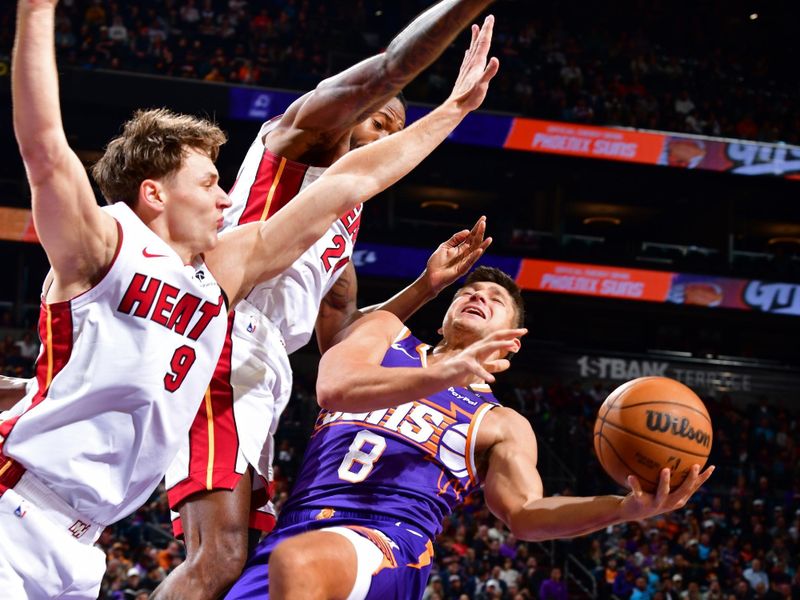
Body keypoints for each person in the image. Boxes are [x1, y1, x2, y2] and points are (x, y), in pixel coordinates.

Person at [0, 1, 498, 597]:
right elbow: (46, 151)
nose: (223, 196)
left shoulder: (240, 264)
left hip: (86, 540)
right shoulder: (115, 246)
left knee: (235, 560)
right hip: (28, 500)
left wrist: (453, 117)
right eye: (210, 182)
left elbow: (352, 219)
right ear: (156, 193)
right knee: (220, 554)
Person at [159, 2, 499, 597]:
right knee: (217, 558)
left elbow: (341, 340)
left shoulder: (345, 224)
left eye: (395, 129)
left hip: (262, 375)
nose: (386, 134)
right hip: (220, 337)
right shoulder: (303, 139)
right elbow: (389, 68)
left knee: (231, 568)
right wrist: (454, 82)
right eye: (379, 121)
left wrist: (428, 286)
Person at [226, 266, 715, 599]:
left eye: (496, 300)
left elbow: (525, 515)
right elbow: (335, 386)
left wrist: (625, 508)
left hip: (388, 544)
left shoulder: (501, 422)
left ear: (513, 340)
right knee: (291, 560)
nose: (478, 295)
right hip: (297, 525)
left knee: (299, 563)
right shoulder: (384, 336)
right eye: (468, 292)